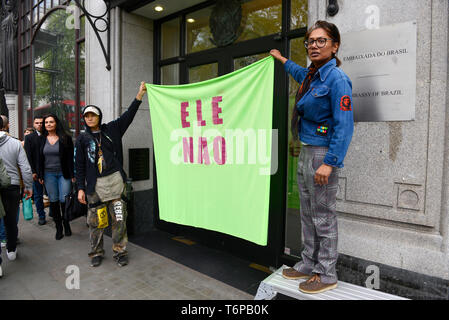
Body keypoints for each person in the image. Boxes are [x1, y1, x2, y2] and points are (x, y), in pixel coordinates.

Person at [270, 20, 354, 294]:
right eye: (310, 42)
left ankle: (326, 273)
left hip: (322, 155)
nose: (314, 46)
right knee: (307, 214)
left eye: (321, 41)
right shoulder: (311, 75)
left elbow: (344, 125)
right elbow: (296, 72)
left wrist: (330, 164)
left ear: (335, 45)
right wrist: (282, 59)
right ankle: (307, 264)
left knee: (323, 217)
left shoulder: (337, 79)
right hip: (306, 151)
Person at [75, 82, 147, 268]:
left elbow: (128, 115)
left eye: (93, 115)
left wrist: (139, 95)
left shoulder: (112, 129)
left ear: (99, 116)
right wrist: (80, 189)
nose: (90, 118)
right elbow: (79, 165)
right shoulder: (82, 139)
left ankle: (120, 251)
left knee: (119, 220)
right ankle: (96, 252)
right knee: (96, 222)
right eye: (87, 116)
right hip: (95, 187)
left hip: (115, 183)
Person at [0, 115, 33, 266]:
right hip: (12, 186)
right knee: (11, 220)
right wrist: (28, 187)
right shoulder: (15, 143)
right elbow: (25, 168)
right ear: (5, 126)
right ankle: (11, 249)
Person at [37, 114, 74, 240]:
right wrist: (40, 175)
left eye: (51, 122)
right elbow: (39, 159)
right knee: (53, 201)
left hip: (64, 174)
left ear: (56, 123)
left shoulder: (65, 138)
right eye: (46, 122)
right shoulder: (41, 139)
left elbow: (70, 158)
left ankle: (66, 223)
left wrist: (73, 175)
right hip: (48, 175)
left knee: (64, 200)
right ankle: (59, 228)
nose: (48, 124)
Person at [24, 116, 46, 225]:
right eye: (37, 123)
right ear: (33, 124)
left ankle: (53, 212)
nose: (40, 125)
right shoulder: (29, 138)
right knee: (38, 195)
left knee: (52, 193)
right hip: (36, 171)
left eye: (41, 123)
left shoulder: (49, 136)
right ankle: (41, 215)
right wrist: (33, 171)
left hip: (49, 170)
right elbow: (28, 156)